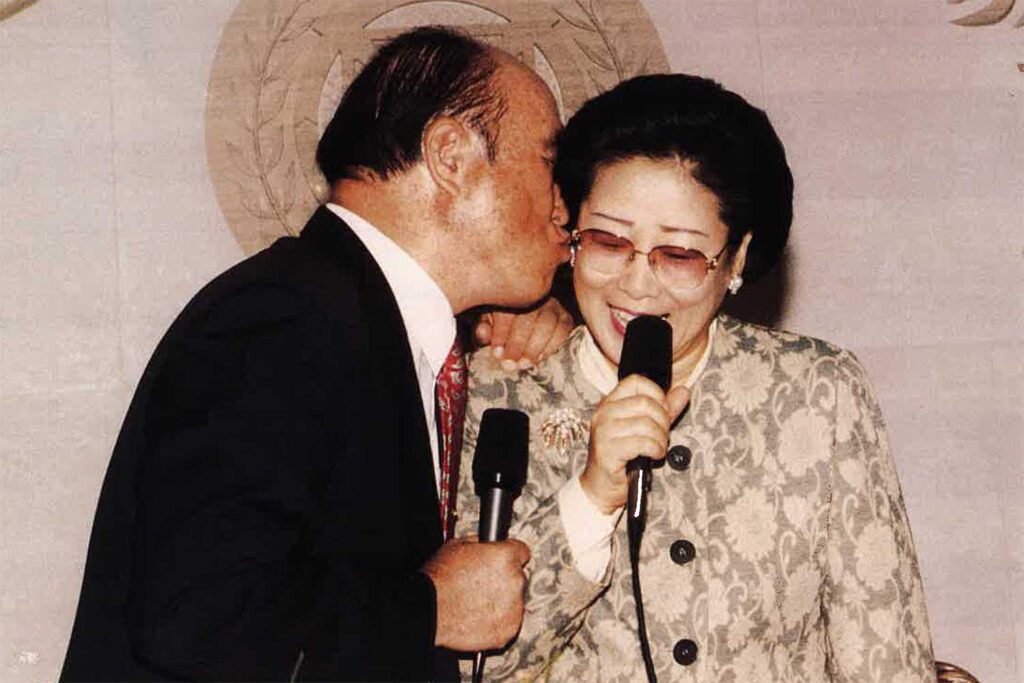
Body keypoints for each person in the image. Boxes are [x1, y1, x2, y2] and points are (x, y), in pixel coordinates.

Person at [61, 27, 570, 681]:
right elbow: (199, 612)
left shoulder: (351, 317)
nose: (565, 207)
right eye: (549, 162)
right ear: (451, 156)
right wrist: (430, 609)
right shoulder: (285, 318)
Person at [457, 74, 936, 682]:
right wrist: (593, 495)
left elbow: (888, 660)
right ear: (571, 236)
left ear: (736, 260)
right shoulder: (499, 395)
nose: (636, 283)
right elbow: (471, 665)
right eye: (608, 242)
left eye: (678, 255)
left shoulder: (818, 392)